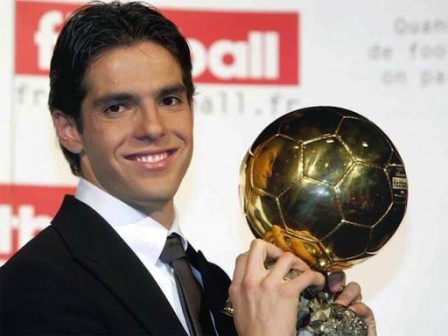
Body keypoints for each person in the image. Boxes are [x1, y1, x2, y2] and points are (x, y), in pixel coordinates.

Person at [0, 1, 376, 335]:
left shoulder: (214, 286)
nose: (153, 127)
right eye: (118, 107)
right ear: (69, 130)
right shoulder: (33, 288)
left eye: (169, 99)